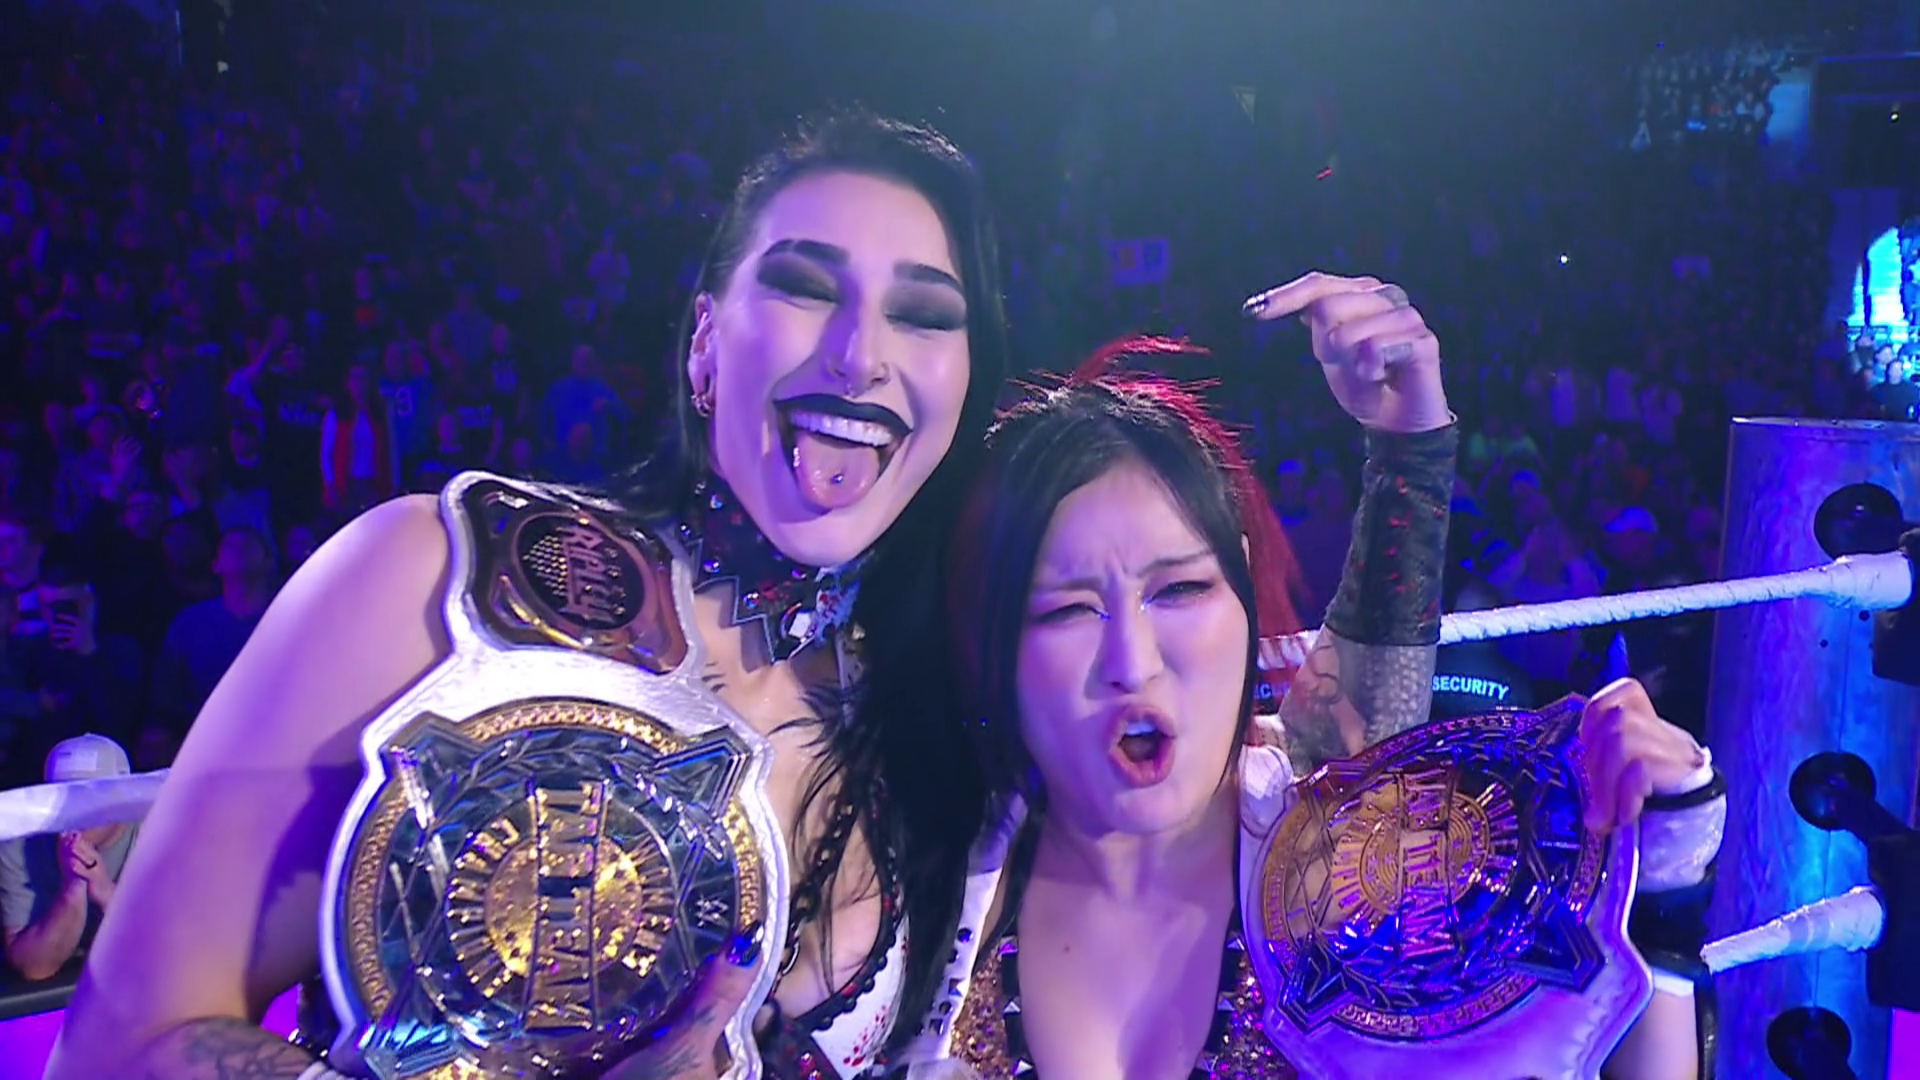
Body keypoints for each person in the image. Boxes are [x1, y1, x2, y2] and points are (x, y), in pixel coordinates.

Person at [48, 111, 1010, 1080]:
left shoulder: (942, 723)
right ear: (705, 342)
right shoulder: (430, 581)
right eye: (805, 287)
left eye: (925, 313)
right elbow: (116, 1051)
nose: (859, 353)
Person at [905, 333, 1718, 1077]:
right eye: (1067, 611)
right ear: (992, 645)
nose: (1132, 662)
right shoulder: (916, 898)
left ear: (1241, 595)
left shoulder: (1386, 866)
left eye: (1180, 590)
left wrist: (1657, 893)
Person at [0, 735, 139, 981]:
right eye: (63, 797)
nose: (76, 811)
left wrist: (109, 896)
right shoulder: (20, 842)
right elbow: (35, 968)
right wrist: (73, 889)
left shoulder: (160, 829)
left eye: (91, 796)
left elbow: (180, 952)